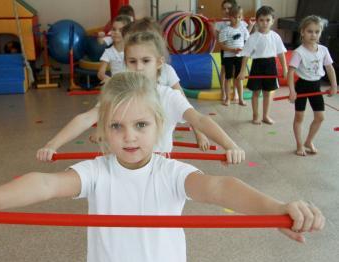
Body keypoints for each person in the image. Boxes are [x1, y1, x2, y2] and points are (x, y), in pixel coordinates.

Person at [0, 72, 325, 262]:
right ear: (102, 131)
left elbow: (220, 187)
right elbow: (44, 183)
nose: (129, 136)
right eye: (116, 126)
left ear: (159, 126)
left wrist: (275, 209)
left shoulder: (171, 172)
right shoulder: (97, 171)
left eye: (140, 124)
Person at [37, 31, 245, 162]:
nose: (138, 67)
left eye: (145, 61)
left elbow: (199, 119)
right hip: (121, 164)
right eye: (132, 61)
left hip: (158, 166)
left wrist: (230, 145)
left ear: (159, 62)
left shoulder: (168, 96)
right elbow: (86, 118)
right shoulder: (117, 93)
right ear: (125, 62)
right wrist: (52, 144)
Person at [288, 15, 337, 156]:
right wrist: (292, 91)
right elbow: (290, 73)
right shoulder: (299, 52)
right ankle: (299, 145)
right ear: (302, 32)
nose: (313, 35)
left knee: (320, 117)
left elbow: (329, 68)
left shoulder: (323, 50)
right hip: (302, 86)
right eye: (310, 31)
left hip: (316, 86)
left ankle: (308, 141)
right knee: (299, 117)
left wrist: (334, 86)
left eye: (317, 31)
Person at [238, 6, 287, 125]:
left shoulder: (275, 36)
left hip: (270, 65)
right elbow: (246, 56)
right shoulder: (253, 37)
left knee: (267, 92)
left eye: (267, 20)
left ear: (272, 21)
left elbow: (281, 54)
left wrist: (285, 69)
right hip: (257, 66)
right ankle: (255, 115)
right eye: (261, 20)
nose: (264, 23)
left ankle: (265, 116)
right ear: (257, 21)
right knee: (256, 92)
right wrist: (242, 71)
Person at [122, 17, 184, 93]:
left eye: (146, 60)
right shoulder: (127, 74)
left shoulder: (167, 71)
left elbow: (181, 97)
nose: (139, 67)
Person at [213, 0, 255, 103]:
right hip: (227, 52)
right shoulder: (220, 23)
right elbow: (218, 39)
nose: (226, 10)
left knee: (237, 75)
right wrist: (212, 27)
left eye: (229, 8)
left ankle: (236, 93)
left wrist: (251, 25)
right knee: (225, 71)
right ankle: (224, 92)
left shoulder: (241, 23)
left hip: (238, 53)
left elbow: (244, 36)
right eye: (224, 8)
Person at [218, 5, 249, 106]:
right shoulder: (225, 30)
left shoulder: (243, 29)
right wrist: (232, 50)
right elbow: (222, 45)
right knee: (228, 78)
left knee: (239, 78)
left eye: (239, 17)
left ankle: (241, 99)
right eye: (235, 17)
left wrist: (243, 50)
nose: (237, 19)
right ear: (230, 17)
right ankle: (227, 98)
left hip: (239, 57)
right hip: (228, 57)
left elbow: (247, 42)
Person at [97, 15, 132, 84]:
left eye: (121, 30)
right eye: (114, 29)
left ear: (128, 33)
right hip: (116, 86)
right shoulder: (108, 52)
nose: (116, 32)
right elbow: (100, 74)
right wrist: (111, 81)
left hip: (131, 85)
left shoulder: (132, 50)